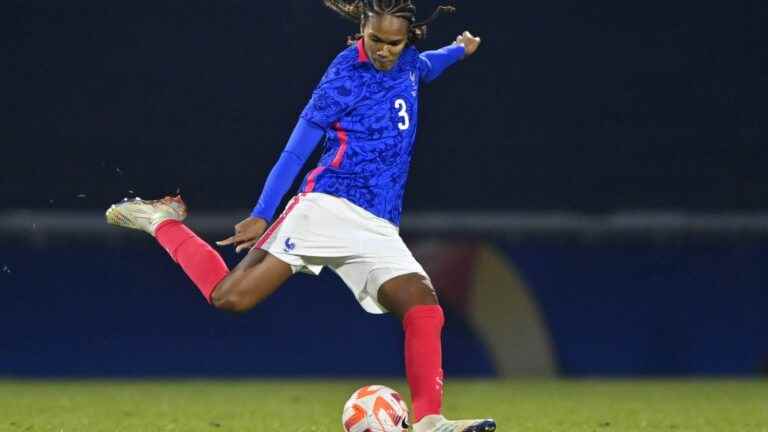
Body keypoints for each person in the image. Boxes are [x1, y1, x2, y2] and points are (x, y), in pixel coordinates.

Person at [106, 1, 493, 431]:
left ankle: (429, 422)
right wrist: (261, 213)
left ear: (408, 39)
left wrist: (460, 50)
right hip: (326, 206)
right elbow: (296, 149)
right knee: (229, 298)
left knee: (423, 307)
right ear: (362, 31)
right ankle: (162, 221)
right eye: (376, 41)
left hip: (378, 223)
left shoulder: (406, 63)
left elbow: (426, 67)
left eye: (393, 43)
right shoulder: (344, 75)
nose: (384, 51)